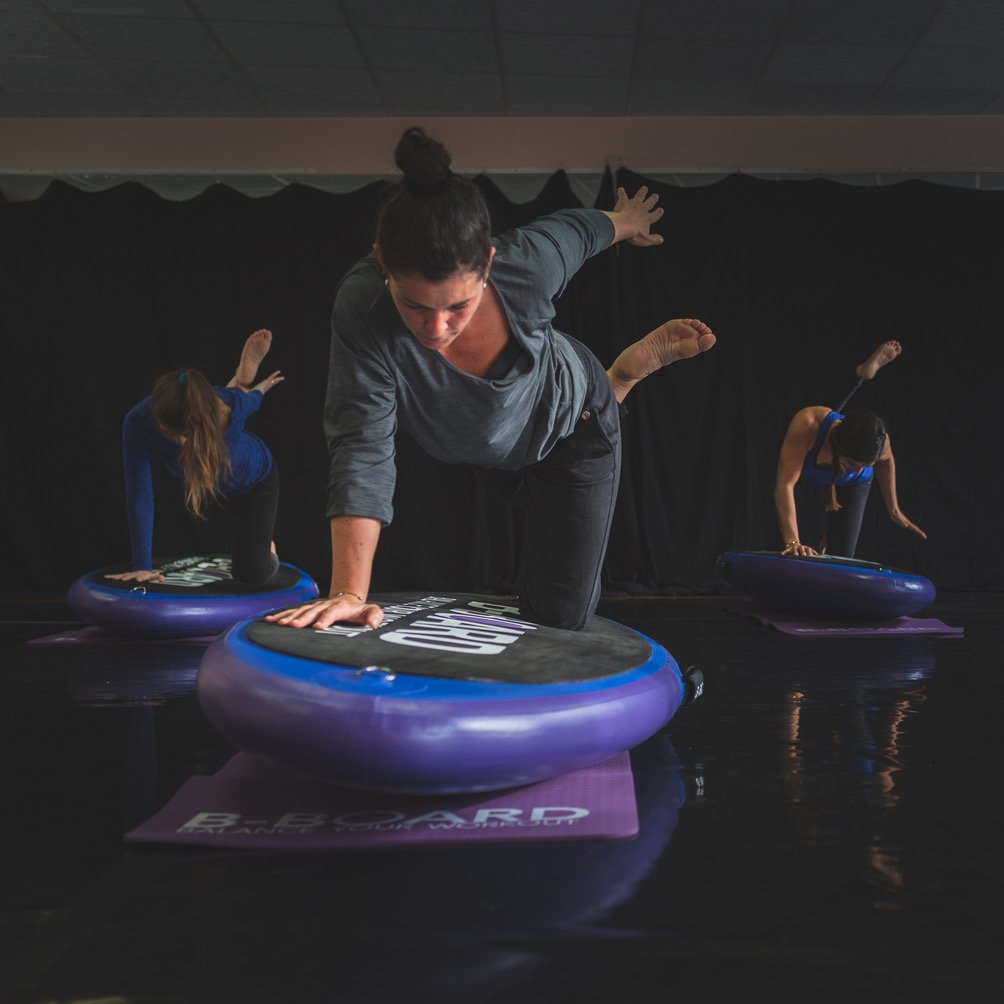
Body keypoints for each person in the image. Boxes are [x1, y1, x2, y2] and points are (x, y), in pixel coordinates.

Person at [269, 126, 715, 633]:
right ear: (382, 262)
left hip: (573, 429)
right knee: (540, 503)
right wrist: (349, 592)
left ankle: (617, 381)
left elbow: (581, 230)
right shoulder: (362, 305)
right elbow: (362, 443)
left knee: (559, 615)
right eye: (414, 306)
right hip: (488, 448)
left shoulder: (528, 267)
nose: (437, 330)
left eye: (458, 306)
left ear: (487, 264)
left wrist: (626, 219)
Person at [107, 328, 285, 585]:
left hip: (256, 480)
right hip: (216, 472)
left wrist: (260, 388)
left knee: (252, 575)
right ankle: (240, 380)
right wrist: (141, 566)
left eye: (187, 433)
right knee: (227, 400)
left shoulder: (225, 411)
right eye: (170, 432)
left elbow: (252, 402)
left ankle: (242, 379)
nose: (180, 442)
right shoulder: (138, 422)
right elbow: (139, 493)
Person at [774, 340, 926, 558]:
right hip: (826, 434)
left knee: (841, 555)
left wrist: (893, 509)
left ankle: (862, 375)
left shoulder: (878, 444)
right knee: (824, 416)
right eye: (855, 464)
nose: (858, 469)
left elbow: (886, 462)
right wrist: (793, 542)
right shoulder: (806, 425)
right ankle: (859, 375)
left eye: (864, 466)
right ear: (842, 451)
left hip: (852, 482)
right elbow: (784, 485)